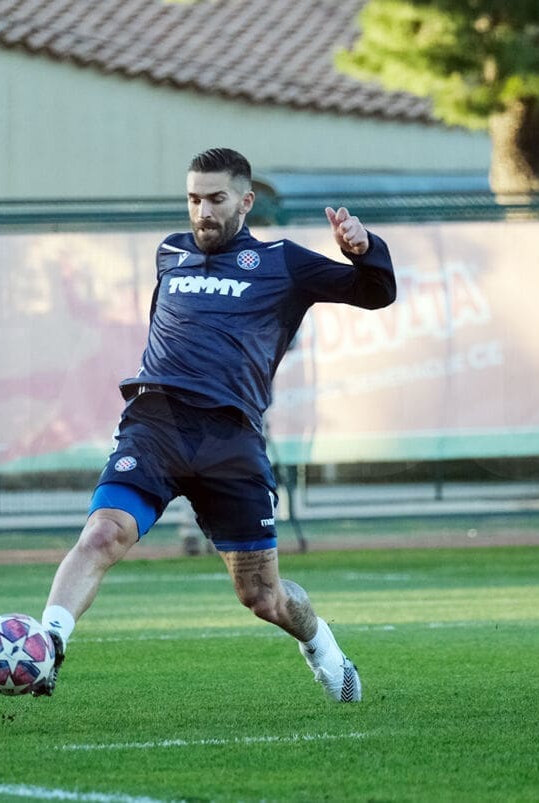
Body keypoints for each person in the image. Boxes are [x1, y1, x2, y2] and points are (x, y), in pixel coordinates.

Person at [33, 147, 396, 702]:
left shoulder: (283, 262)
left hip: (230, 441)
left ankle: (323, 647)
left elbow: (376, 293)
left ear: (245, 202)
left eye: (216, 199)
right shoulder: (170, 253)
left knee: (263, 597)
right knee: (103, 534)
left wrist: (364, 249)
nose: (202, 211)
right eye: (194, 199)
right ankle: (48, 645)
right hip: (155, 426)